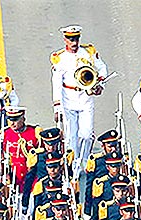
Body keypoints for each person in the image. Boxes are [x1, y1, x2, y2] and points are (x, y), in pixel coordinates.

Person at [50, 25, 108, 171]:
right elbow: (56, 83)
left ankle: (85, 159)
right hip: (68, 100)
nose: (74, 42)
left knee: (86, 134)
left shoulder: (88, 52)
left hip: (85, 98)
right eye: (70, 39)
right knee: (71, 136)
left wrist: (99, 85)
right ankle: (74, 165)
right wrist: (57, 106)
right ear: (65, 40)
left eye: (76, 39)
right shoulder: (60, 58)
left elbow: (102, 69)